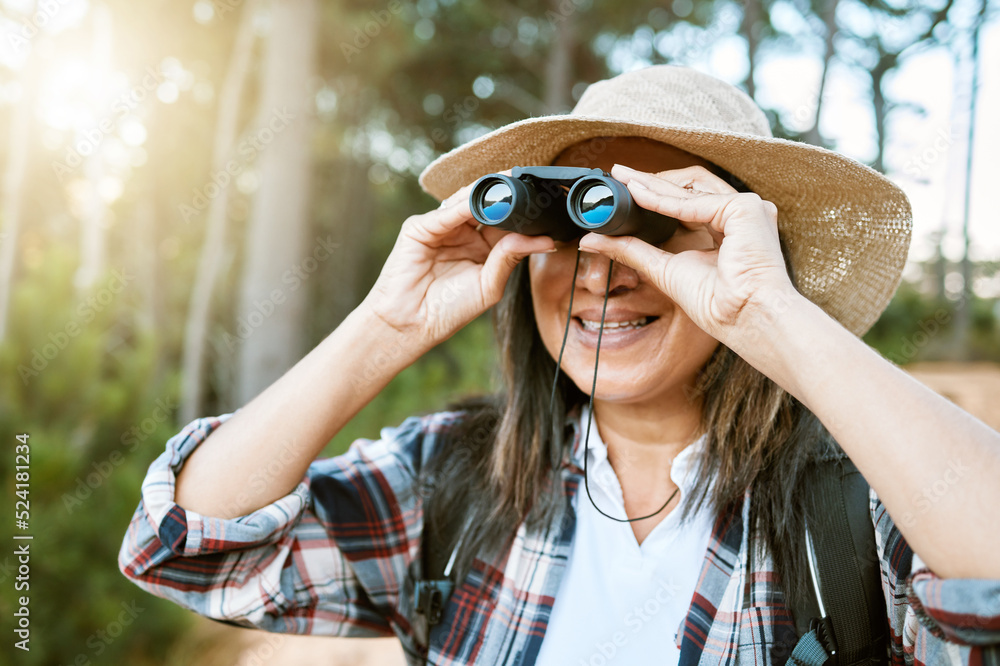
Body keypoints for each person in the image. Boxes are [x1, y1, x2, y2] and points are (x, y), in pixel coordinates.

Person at [118, 66, 1000, 665]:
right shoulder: (450, 479)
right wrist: (385, 327)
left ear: (745, 246)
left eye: (655, 219)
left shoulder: (853, 505)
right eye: (571, 224)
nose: (605, 267)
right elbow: (188, 550)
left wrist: (772, 316)